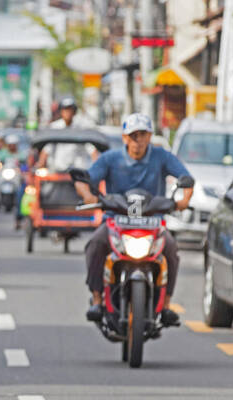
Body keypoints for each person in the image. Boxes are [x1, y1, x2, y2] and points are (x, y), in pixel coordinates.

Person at [75, 113, 193, 327]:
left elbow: (186, 179)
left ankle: (166, 305)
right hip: (115, 222)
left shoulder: (162, 156)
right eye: (133, 136)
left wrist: (184, 200)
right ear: (124, 138)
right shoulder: (110, 159)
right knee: (95, 244)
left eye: (143, 135)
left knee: (172, 250)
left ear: (150, 137)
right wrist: (89, 196)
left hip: (152, 224)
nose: (138, 141)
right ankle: (98, 300)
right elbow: (84, 180)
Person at [39, 96, 94, 171]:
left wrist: (98, 168)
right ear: (61, 111)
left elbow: (92, 150)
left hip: (78, 173)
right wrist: (40, 166)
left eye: (70, 110)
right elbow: (47, 149)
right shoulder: (55, 128)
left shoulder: (81, 128)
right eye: (65, 109)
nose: (68, 112)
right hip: (57, 173)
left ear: (74, 112)